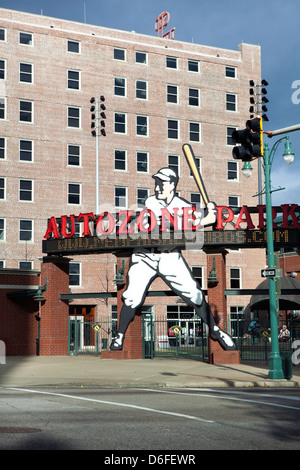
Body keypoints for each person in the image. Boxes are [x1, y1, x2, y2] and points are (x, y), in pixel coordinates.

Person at [110, 167, 236, 351]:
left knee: (195, 294)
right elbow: (175, 224)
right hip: (145, 254)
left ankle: (216, 330)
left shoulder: (183, 205)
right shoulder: (151, 201)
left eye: (162, 183)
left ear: (172, 184)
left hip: (169, 255)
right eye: (156, 182)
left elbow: (194, 223)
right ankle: (119, 336)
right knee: (131, 298)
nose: (158, 187)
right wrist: (206, 218)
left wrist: (211, 216)